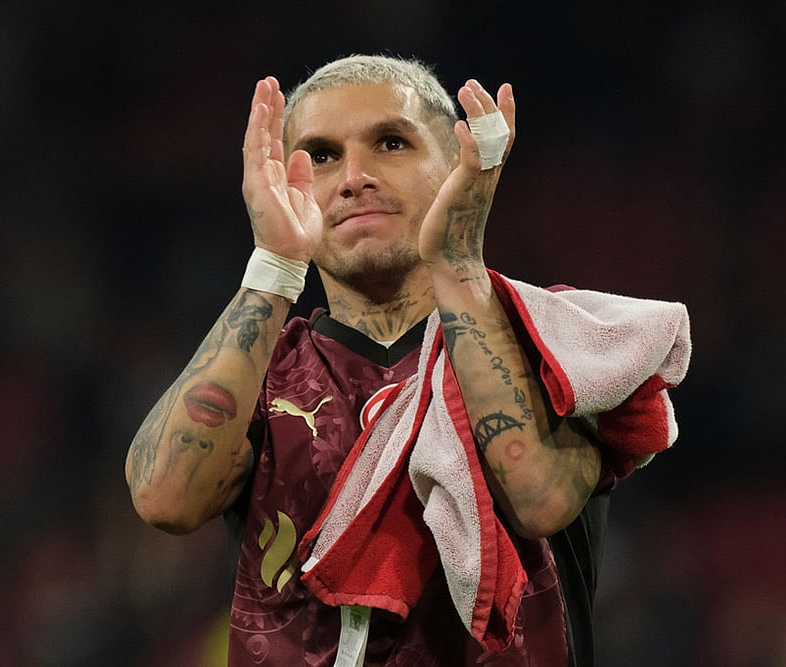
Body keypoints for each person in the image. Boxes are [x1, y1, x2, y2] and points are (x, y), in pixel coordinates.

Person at [126, 54, 689, 666]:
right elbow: (164, 499)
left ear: (454, 164)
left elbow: (539, 499)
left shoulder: (560, 340)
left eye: (390, 143)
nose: (354, 177)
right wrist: (274, 267)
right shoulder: (262, 376)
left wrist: (457, 264)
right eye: (320, 156)